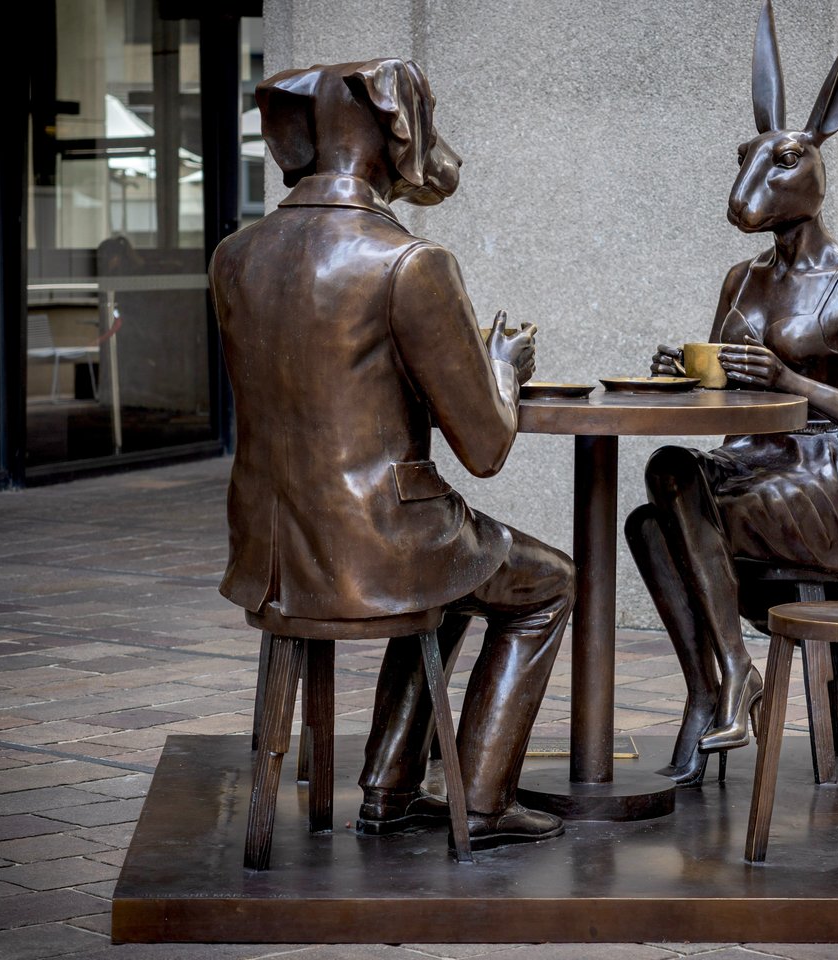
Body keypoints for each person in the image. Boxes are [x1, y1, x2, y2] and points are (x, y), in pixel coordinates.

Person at [210, 58, 573, 848]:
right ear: (392, 135)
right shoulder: (410, 262)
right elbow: (484, 446)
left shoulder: (236, 256)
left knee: (462, 573)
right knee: (546, 584)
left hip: (273, 550)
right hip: (380, 543)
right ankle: (481, 798)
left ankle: (391, 787)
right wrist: (502, 368)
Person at [625, 0, 838, 787]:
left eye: (779, 161)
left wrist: (793, 380)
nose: (753, 184)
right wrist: (687, 373)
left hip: (822, 475)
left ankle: (723, 686)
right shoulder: (741, 279)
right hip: (746, 462)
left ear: (814, 170)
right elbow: (723, 386)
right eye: (751, 160)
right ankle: (725, 678)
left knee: (665, 518)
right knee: (658, 498)